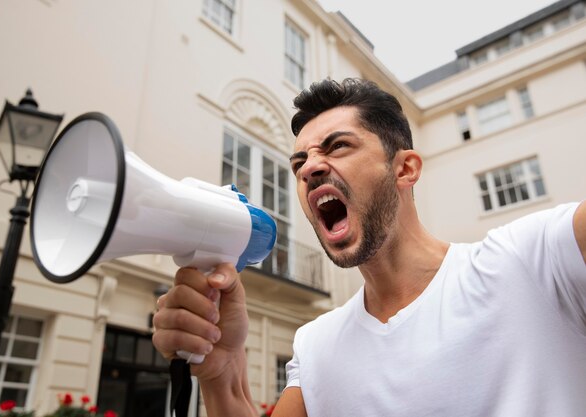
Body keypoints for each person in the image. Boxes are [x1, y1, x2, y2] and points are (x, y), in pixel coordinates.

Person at [152, 78, 586, 416]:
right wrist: (223, 367)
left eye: (337, 146)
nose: (310, 169)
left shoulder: (533, 260)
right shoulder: (316, 344)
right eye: (299, 163)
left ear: (405, 169)